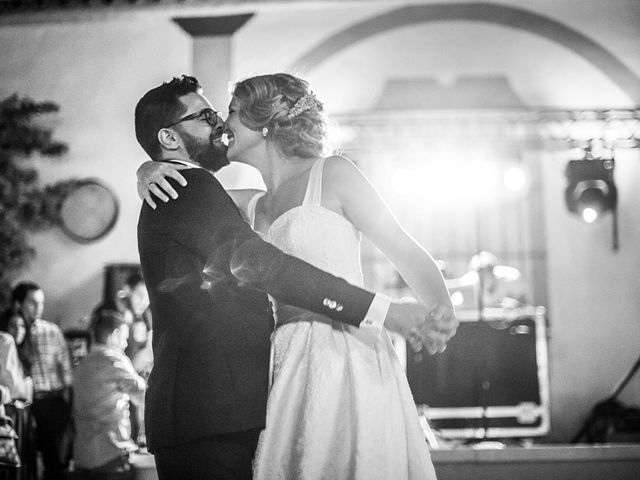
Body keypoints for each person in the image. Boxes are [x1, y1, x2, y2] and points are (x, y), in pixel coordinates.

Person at [134, 75, 455, 480]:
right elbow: (259, 259)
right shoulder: (243, 203)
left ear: (265, 123)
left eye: (226, 113)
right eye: (213, 114)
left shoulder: (332, 173)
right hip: (281, 363)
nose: (221, 124)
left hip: (346, 349)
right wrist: (150, 166)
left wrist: (442, 312)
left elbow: (403, 248)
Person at [72, 306, 146, 480]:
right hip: (110, 457)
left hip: (82, 458)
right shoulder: (114, 360)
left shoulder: (82, 365)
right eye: (125, 338)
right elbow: (145, 396)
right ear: (115, 335)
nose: (126, 344)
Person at [12, 281, 73, 480]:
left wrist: (68, 405)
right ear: (18, 304)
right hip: (20, 405)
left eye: (41, 303)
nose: (38, 308)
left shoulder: (51, 331)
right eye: (32, 303)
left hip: (50, 401)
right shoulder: (10, 331)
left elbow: (66, 372)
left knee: (56, 461)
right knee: (21, 461)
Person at [0, 308, 32, 403]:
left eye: (22, 326)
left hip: (23, 412)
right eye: (12, 325)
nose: (18, 330)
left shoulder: (25, 357)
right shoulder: (5, 343)